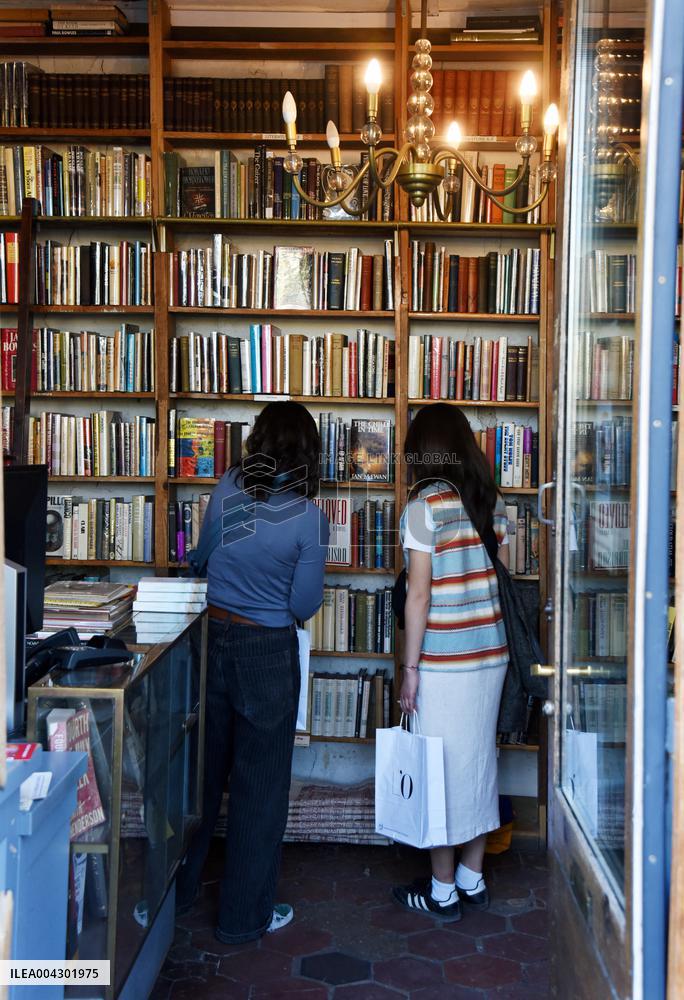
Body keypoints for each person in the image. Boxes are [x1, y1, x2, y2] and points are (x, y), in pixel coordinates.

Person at [176, 401, 329, 943]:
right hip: (266, 649)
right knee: (259, 788)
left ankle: (173, 897)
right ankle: (242, 919)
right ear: (309, 454)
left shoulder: (228, 488)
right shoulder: (309, 518)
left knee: (200, 777)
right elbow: (304, 605)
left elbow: (201, 557)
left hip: (213, 638)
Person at [392, 403, 509, 922]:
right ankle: (471, 876)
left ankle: (442, 890)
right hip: (490, 655)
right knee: (479, 762)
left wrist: (410, 670)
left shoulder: (423, 508)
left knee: (437, 770)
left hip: (444, 659)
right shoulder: (489, 501)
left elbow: (419, 596)